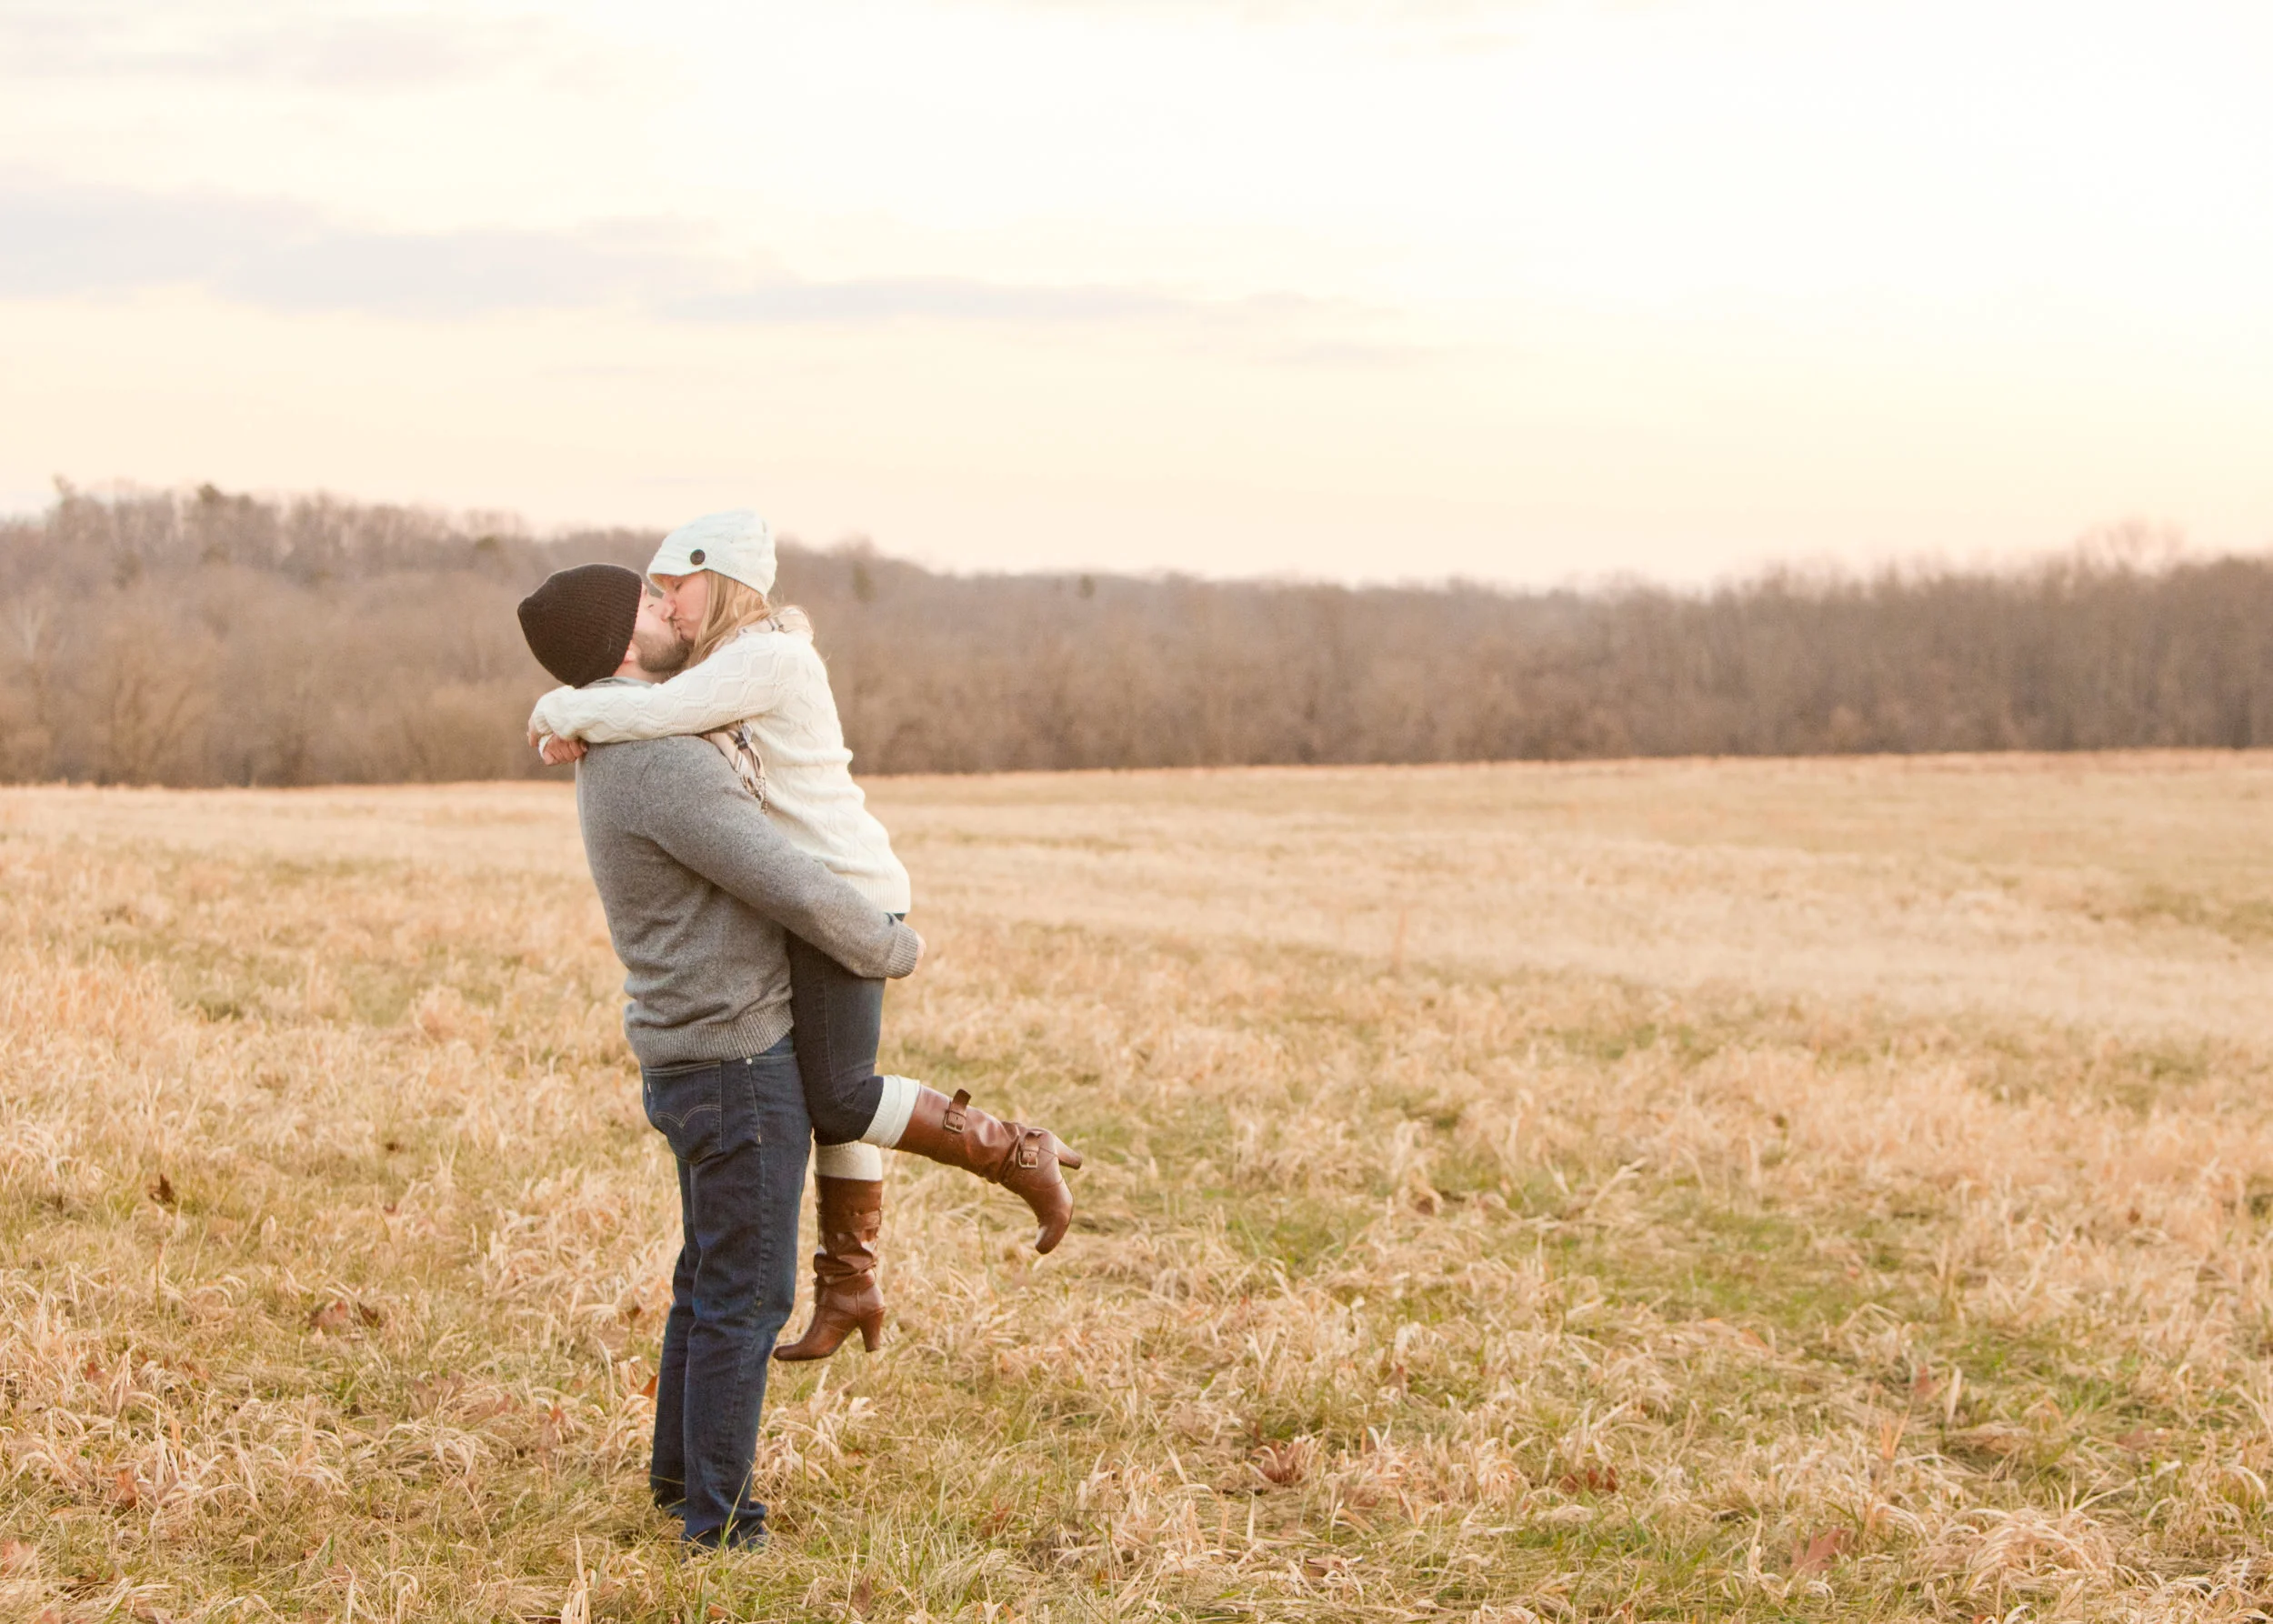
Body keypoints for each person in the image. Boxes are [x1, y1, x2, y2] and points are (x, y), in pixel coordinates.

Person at [526, 512, 1079, 1364]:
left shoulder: (770, 657)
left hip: (842, 894)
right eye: (656, 592)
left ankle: (1015, 1152)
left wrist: (561, 708)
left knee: (843, 1097)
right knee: (831, 1093)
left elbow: (660, 711)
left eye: (676, 586)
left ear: (721, 581)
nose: (667, 604)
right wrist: (580, 717)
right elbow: (661, 714)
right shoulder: (724, 663)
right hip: (808, 898)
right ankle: (849, 1282)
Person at [516, 562, 920, 1549]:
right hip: (734, 1061)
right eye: (650, 603)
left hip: (692, 1054)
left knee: (708, 1281)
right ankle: (723, 1527)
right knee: (746, 1295)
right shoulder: (660, 762)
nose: (672, 609)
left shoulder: (629, 744)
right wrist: (888, 945)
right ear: (621, 639)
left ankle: (679, 1484)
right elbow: (785, 879)